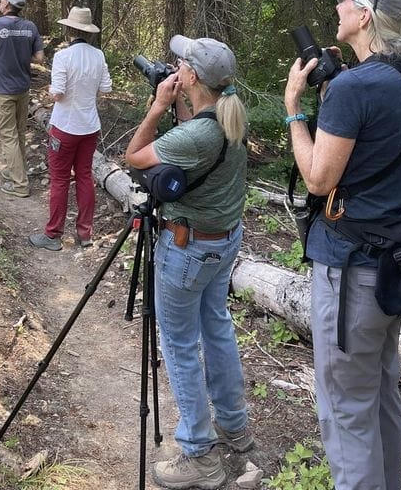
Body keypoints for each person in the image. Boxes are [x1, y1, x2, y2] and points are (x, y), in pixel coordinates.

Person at [283, 0, 401, 490]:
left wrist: (294, 111)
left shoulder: (357, 88)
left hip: (351, 271)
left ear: (365, 15)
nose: (337, 6)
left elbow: (320, 179)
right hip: (391, 264)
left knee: (345, 408)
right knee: (380, 395)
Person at [125, 35, 251, 490]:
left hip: (188, 247)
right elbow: (195, 139)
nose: (175, 65)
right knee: (216, 325)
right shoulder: (230, 113)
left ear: (192, 76)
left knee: (179, 344)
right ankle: (234, 427)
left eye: (182, 62)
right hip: (225, 240)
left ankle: (199, 454)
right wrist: (181, 102)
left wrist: (158, 106)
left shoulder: (200, 133)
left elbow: (135, 157)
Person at [28, 7, 112, 251]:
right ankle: (85, 233)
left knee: (60, 179)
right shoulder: (99, 56)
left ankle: (53, 234)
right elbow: (106, 88)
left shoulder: (64, 57)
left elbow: (58, 93)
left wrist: (50, 92)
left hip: (64, 127)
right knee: (85, 176)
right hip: (89, 126)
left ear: (68, 30)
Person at [0, 0, 45, 197]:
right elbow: (39, 58)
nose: (0, 0)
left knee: (8, 137)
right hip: (22, 89)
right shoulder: (30, 26)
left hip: (2, 90)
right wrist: (21, 54)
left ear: (6, 4)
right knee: (18, 134)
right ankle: (14, 170)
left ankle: (20, 184)